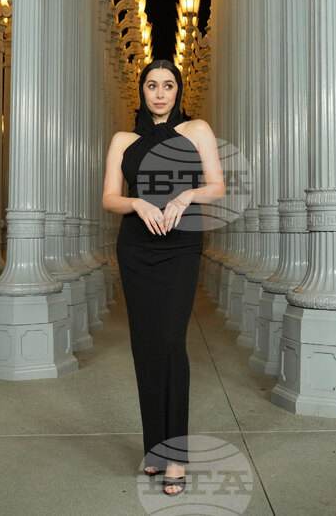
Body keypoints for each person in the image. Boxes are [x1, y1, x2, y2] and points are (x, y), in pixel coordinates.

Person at [102, 59, 225, 496]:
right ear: (142, 90)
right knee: (146, 345)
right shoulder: (123, 139)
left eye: (168, 85)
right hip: (136, 247)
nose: (159, 93)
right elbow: (109, 197)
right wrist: (137, 204)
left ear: (177, 91)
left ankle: (176, 456)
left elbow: (217, 186)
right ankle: (154, 448)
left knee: (171, 343)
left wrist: (186, 194)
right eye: (152, 85)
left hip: (179, 247)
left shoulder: (197, 130)